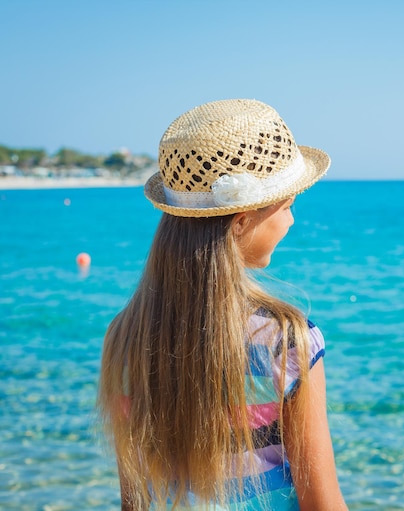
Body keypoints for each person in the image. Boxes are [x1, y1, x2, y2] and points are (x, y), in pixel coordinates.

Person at [98, 99, 348, 511]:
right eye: (286, 206)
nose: (291, 221)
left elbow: (134, 501)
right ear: (241, 221)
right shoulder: (285, 340)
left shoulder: (124, 337)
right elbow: (322, 501)